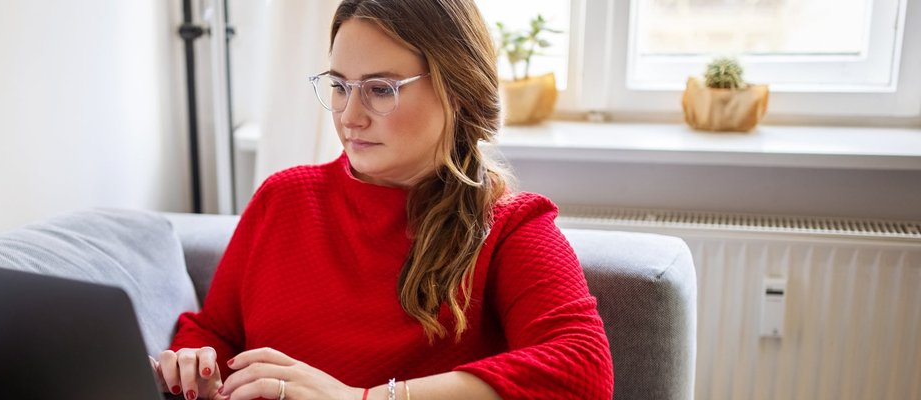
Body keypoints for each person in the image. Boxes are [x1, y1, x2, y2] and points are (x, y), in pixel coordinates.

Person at [153, 1, 613, 399]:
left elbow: (583, 371)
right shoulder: (284, 197)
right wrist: (198, 364)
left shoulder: (509, 226)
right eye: (338, 86)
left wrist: (364, 398)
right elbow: (215, 330)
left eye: (380, 90)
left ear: (458, 90)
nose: (350, 116)